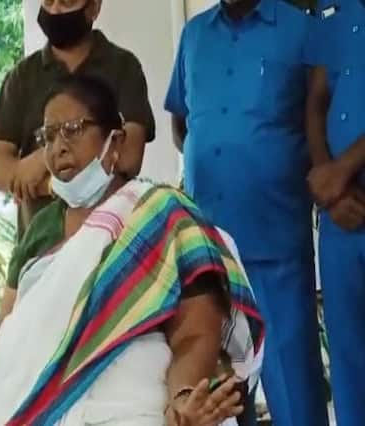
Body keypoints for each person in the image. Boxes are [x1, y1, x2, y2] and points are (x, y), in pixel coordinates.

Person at [0, 76, 264, 426]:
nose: (58, 147)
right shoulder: (41, 231)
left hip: (138, 405)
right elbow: (16, 343)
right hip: (37, 408)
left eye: (74, 130)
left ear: (115, 141)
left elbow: (195, 328)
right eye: (48, 136)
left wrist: (183, 399)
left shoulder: (161, 213)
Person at [164, 0, 328, 425]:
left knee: (291, 384)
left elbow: (322, 121)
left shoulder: (301, 31)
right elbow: (182, 123)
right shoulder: (194, 35)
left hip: (275, 241)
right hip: (208, 250)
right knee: (222, 392)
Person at [0, 0, 155, 239]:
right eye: (48, 1)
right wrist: (52, 186)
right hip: (42, 242)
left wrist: (43, 159)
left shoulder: (123, 67)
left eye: (67, 1)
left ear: (94, 7)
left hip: (111, 238)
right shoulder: (21, 78)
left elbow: (129, 158)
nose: (55, 10)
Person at [306, 1, 365, 424]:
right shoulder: (332, 10)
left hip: (346, 186)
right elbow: (316, 102)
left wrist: (341, 170)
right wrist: (328, 181)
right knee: (347, 356)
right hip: (342, 217)